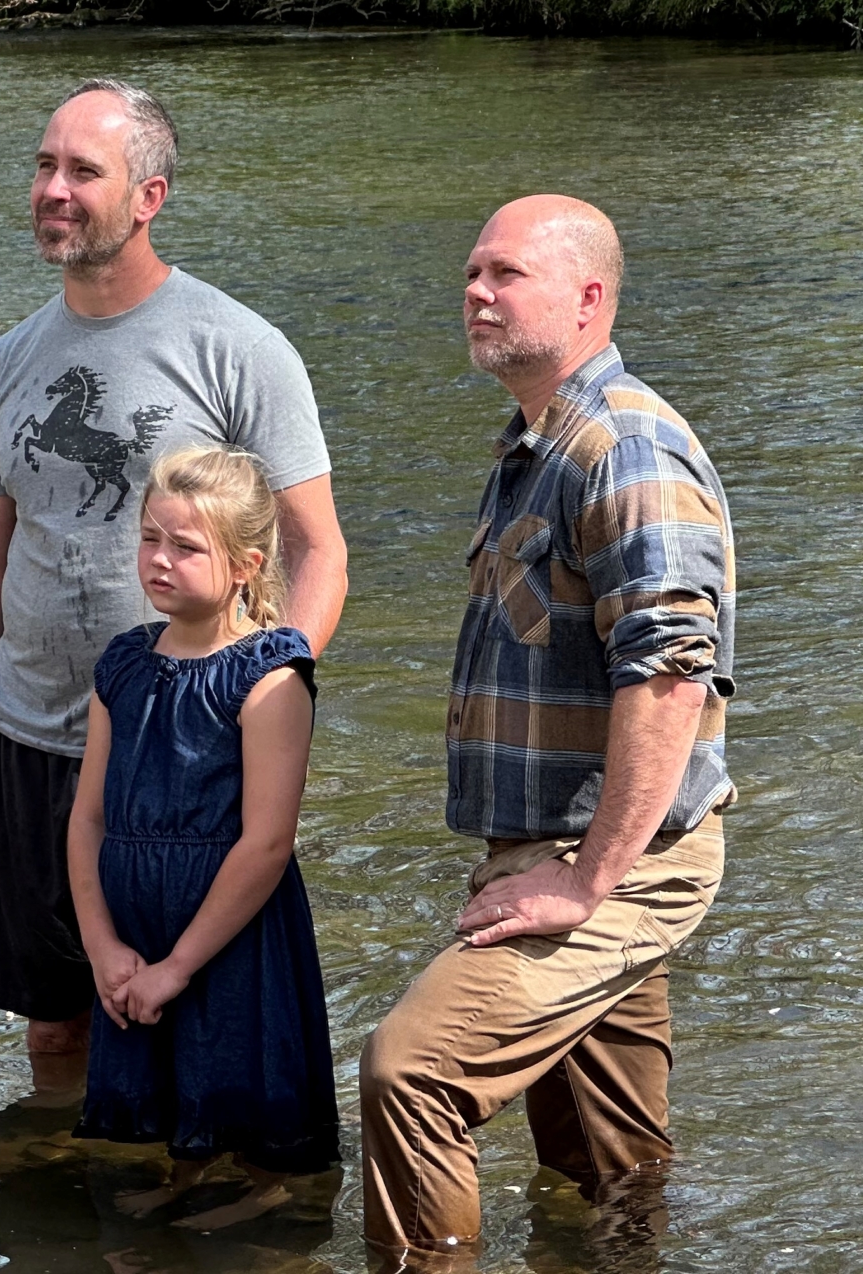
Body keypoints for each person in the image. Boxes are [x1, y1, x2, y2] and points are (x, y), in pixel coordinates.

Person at [0, 79, 348, 1076]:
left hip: (179, 746)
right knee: (55, 1025)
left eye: (83, 171)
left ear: (148, 197)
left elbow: (318, 548)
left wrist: (256, 699)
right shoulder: (10, 359)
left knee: (191, 1023)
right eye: (44, 165)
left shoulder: (239, 349)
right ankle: (59, 1178)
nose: (52, 190)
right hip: (28, 738)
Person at [357, 195, 737, 1268]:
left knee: (411, 1072)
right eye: (471, 274)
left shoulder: (625, 448)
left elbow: (670, 675)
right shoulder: (538, 446)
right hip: (566, 849)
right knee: (607, 1164)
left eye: (505, 274)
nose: (476, 292)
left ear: (587, 298)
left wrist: (586, 880)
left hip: (616, 860)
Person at [66, 445, 339, 1231]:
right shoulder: (123, 665)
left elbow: (267, 842)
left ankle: (267, 1185)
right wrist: (102, 947)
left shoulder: (269, 677)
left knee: (238, 1054)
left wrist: (179, 965)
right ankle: (187, 1170)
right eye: (150, 538)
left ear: (247, 565)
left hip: (229, 924)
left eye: (185, 547)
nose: (158, 559)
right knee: (167, 1071)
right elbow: (87, 818)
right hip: (133, 918)